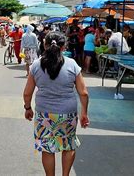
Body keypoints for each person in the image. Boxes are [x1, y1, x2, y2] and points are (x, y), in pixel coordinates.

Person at [23, 31, 89, 176]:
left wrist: (27, 108)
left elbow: (27, 93)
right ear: (63, 47)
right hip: (68, 113)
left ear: (45, 45)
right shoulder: (72, 64)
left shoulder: (36, 65)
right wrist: (84, 112)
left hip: (44, 114)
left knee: (47, 148)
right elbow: (83, 92)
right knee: (68, 145)